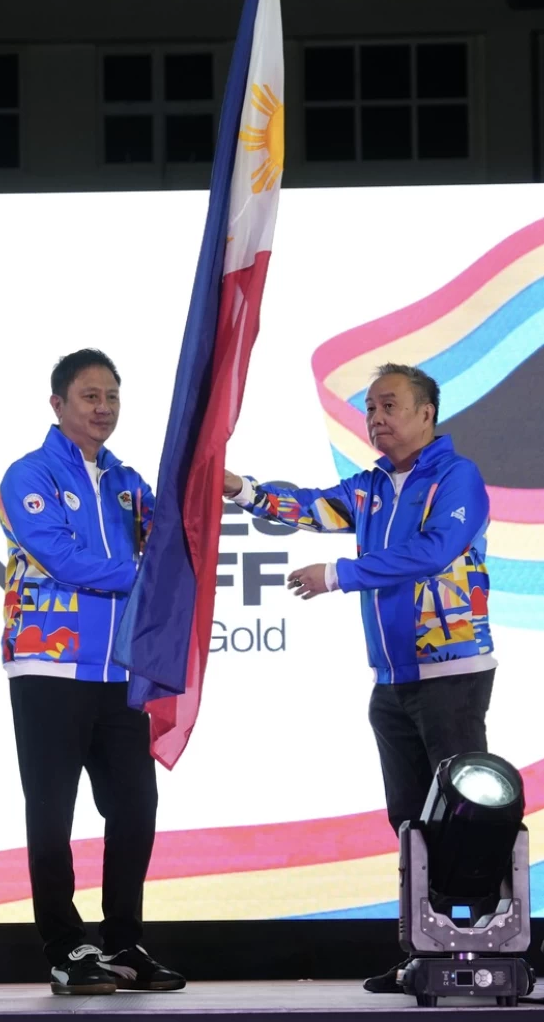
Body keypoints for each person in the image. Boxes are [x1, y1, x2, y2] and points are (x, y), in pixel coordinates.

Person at [224, 363, 496, 994]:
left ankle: (487, 944)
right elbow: (309, 507)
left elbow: (432, 551)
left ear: (427, 413)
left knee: (468, 817)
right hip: (392, 679)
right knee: (409, 821)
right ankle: (424, 952)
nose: (376, 418)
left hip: (450, 671)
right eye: (370, 408)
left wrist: (339, 575)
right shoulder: (372, 486)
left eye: (389, 405)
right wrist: (238, 488)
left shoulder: (456, 477)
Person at [0, 348, 185, 997]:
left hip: (119, 671)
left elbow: (174, 534)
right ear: (58, 404)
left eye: (111, 397)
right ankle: (66, 944)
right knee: (51, 812)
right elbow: (63, 559)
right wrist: (151, 577)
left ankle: (124, 940)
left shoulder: (128, 482)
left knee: (134, 806)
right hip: (48, 667)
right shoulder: (30, 475)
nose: (103, 408)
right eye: (89, 396)